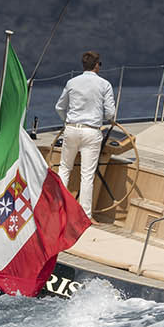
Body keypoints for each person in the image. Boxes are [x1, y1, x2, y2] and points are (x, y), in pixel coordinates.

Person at [55, 51, 117, 217]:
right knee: (87, 175)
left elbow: (59, 107)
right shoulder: (105, 85)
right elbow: (110, 113)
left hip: (71, 129)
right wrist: (102, 119)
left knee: (64, 169)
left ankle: (58, 209)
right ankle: (85, 216)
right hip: (91, 131)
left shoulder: (72, 82)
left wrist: (67, 121)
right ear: (97, 65)